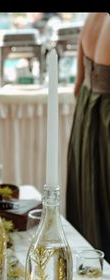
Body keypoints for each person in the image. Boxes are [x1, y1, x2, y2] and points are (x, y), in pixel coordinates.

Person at [66, 13, 110, 263]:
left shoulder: (94, 16)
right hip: (105, 119)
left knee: (90, 207)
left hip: (86, 117)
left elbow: (77, 85)